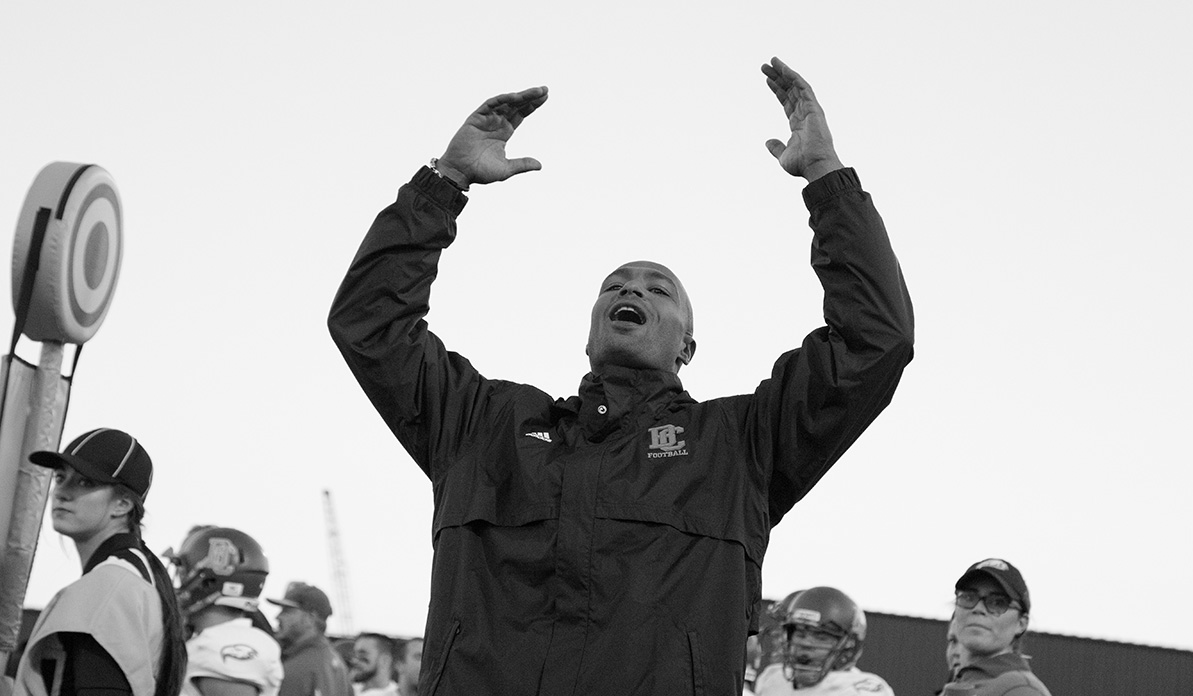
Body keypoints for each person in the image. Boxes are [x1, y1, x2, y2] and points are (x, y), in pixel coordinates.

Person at [328, 58, 915, 694]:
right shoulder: (484, 426)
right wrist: (442, 185)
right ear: (588, 333)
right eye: (616, 284)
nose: (632, 288)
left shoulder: (740, 447)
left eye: (657, 288)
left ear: (688, 346)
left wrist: (826, 180)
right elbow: (371, 325)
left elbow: (873, 342)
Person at [13, 428, 186, 696]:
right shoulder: (133, 572)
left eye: (86, 483)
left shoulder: (109, 586)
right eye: (60, 478)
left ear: (123, 505)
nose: (62, 492)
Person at [169, 525, 283, 696]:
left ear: (209, 581)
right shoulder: (213, 638)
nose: (179, 584)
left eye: (184, 574)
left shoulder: (224, 642)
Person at [940, 559, 1051, 696]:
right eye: (968, 597)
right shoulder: (963, 683)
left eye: (998, 603)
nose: (978, 608)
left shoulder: (1022, 691)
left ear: (1021, 623)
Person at [754, 587, 894, 696]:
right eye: (800, 634)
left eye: (821, 638)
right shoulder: (772, 678)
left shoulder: (861, 688)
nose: (806, 644)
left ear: (848, 647)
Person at [267, 582, 351, 696]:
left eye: (287, 611)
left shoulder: (300, 666)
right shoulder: (337, 663)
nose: (277, 617)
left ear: (310, 618)